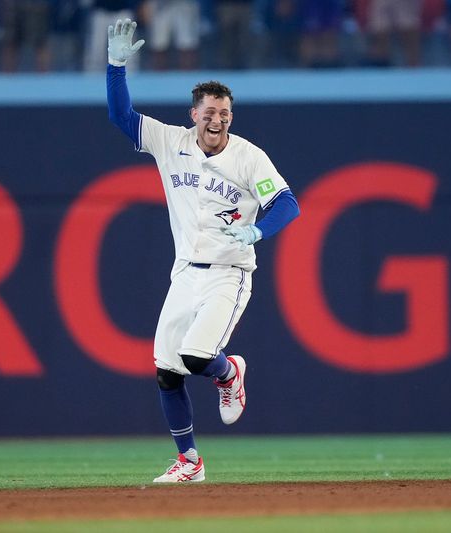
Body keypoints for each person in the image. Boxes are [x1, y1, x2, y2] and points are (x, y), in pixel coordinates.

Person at [105, 18, 300, 482]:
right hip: (185, 273)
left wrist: (257, 233)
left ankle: (229, 372)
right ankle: (190, 462)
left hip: (228, 273)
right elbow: (122, 117)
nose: (218, 120)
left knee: (195, 357)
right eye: (210, 113)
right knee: (165, 371)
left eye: (225, 113)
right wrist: (115, 67)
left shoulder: (248, 156)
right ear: (194, 114)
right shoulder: (172, 142)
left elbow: (287, 204)